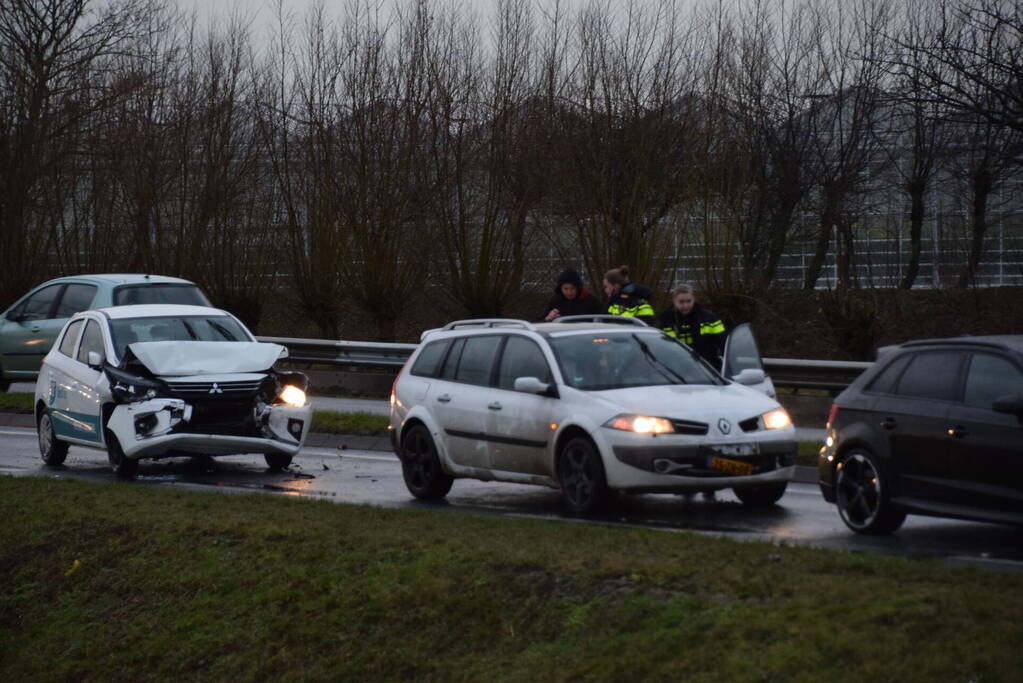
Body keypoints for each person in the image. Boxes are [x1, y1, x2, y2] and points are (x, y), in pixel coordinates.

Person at [655, 283, 727, 366]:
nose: (685, 305)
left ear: (694, 299)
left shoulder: (709, 318)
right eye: (681, 302)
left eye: (688, 301)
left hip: (706, 368)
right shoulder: (665, 320)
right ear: (674, 301)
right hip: (676, 368)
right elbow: (658, 348)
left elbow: (723, 343)